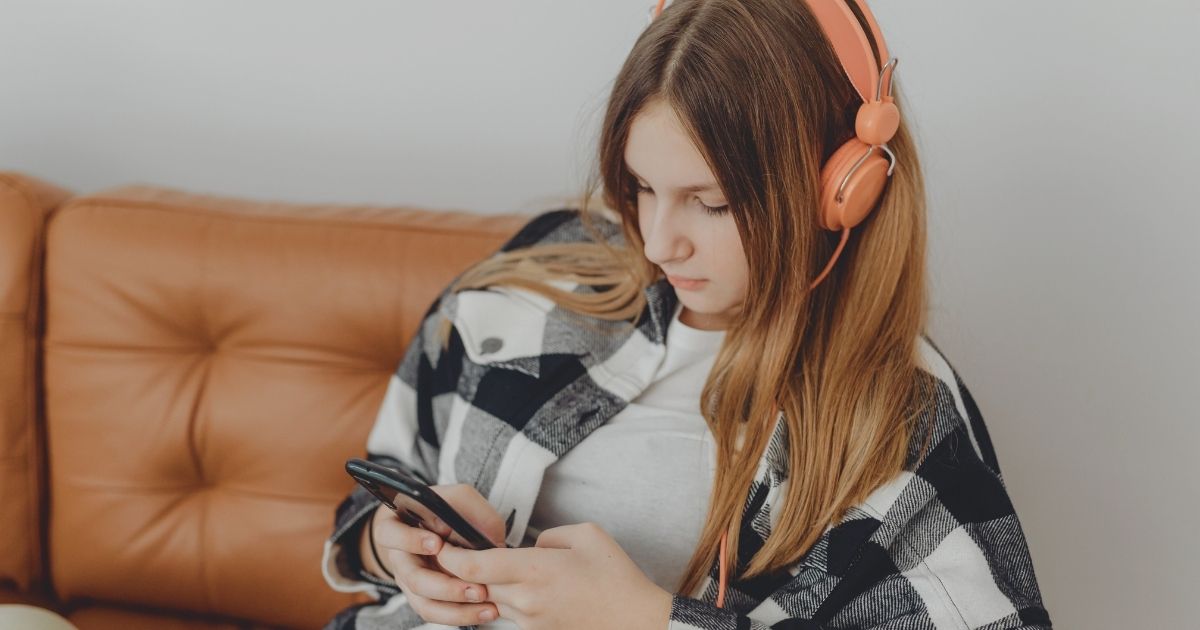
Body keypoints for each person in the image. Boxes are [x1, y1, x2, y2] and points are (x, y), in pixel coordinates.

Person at [320, 1, 1053, 628]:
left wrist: (645, 618)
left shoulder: (895, 416)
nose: (659, 239)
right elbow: (384, 478)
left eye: (711, 203)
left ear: (840, 191)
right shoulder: (549, 264)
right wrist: (390, 546)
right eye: (641, 186)